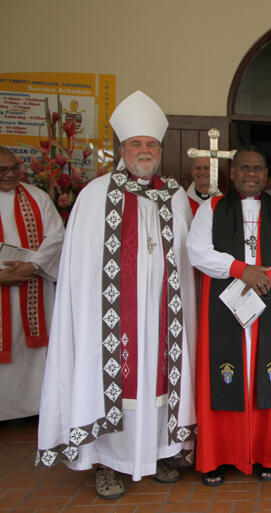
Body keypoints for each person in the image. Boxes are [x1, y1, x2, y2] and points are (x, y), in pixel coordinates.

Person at [37, 91, 197, 499]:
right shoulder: (95, 195)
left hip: (163, 315)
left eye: (151, 145)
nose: (144, 151)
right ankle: (106, 463)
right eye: (136, 144)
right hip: (110, 319)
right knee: (109, 380)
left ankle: (159, 451)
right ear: (122, 149)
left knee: (162, 378)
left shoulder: (176, 197)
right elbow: (79, 268)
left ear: (160, 150)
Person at [187, 146, 271, 486]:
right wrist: (242, 270)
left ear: (267, 176)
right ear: (233, 172)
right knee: (224, 375)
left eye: (258, 169)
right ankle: (217, 456)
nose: (251, 174)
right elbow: (197, 251)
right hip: (225, 305)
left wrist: (268, 275)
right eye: (245, 168)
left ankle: (267, 454)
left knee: (268, 375)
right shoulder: (212, 208)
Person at [0, 147, 64, 421]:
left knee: (33, 352)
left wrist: (34, 265)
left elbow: (56, 236)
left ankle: (35, 408)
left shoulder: (37, 197)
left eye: (15, 167)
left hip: (32, 285)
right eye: (3, 170)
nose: (11, 174)